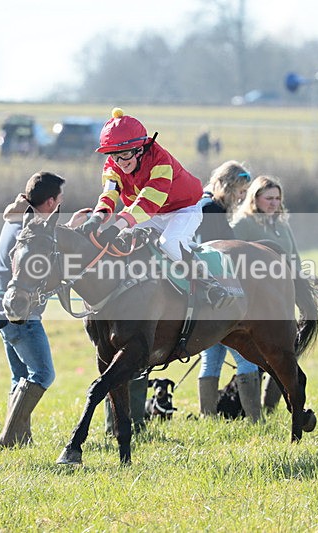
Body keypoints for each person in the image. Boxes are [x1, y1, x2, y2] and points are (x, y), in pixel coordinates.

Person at [74, 107, 230, 309]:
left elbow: (148, 202)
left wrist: (117, 225)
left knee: (169, 243)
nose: (121, 162)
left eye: (125, 155)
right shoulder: (112, 165)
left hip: (183, 209)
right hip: (148, 211)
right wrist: (98, 217)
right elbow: (109, 193)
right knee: (123, 241)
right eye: (114, 156)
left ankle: (211, 284)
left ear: (140, 148)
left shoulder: (160, 160)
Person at [0, 171, 65, 448]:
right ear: (51, 202)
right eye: (59, 201)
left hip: (1, 310)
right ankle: (8, 440)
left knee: (20, 377)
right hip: (22, 313)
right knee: (43, 374)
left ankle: (20, 440)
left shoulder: (16, 218)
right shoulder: (31, 231)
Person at [194, 160, 263, 422]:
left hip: (205, 295)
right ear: (225, 185)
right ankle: (255, 420)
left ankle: (208, 419)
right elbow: (218, 254)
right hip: (218, 295)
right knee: (247, 357)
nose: (241, 197)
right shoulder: (211, 210)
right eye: (238, 191)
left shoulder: (205, 205)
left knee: (211, 359)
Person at [231, 175, 300, 411]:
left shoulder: (282, 225)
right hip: (255, 301)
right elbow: (232, 257)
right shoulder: (243, 224)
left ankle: (272, 405)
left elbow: (294, 259)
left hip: (281, 297)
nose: (274, 203)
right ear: (255, 198)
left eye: (278, 198)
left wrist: (301, 282)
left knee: (287, 351)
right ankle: (246, 411)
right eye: (268, 198)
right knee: (260, 353)